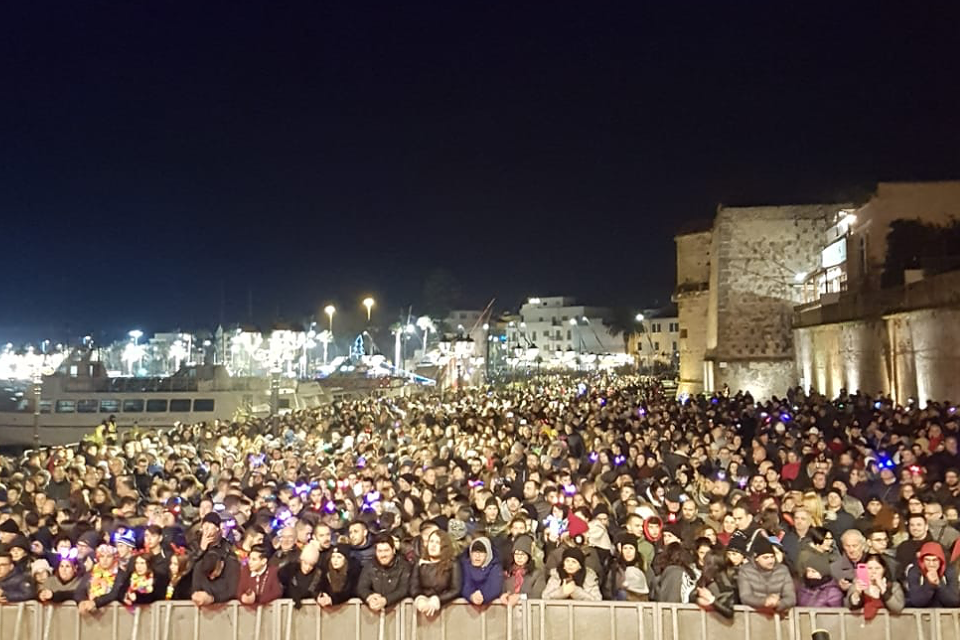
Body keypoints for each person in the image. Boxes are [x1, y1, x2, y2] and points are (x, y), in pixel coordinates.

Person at [737, 537, 796, 614]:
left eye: (772, 557)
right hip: (754, 616)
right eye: (766, 558)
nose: (770, 561)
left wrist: (778, 604)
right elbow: (745, 596)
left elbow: (791, 597)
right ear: (756, 558)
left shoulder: (783, 570)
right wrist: (765, 602)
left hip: (779, 616)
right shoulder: (745, 570)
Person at [411, 529, 462, 616]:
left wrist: (437, 600)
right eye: (431, 541)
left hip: (447, 611)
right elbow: (414, 587)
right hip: (423, 610)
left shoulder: (453, 564)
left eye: (437, 543)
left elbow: (456, 589)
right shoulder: (420, 564)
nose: (433, 546)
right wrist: (420, 598)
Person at [357, 534, 411, 612]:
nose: (383, 555)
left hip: (399, 614)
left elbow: (404, 589)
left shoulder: (404, 566)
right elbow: (361, 587)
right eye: (380, 551)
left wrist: (386, 600)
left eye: (386, 551)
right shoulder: (369, 566)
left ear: (393, 550)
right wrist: (369, 596)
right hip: (374, 615)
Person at [846, 553, 905, 618]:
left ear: (884, 570)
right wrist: (856, 594)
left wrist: (883, 590)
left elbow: (897, 608)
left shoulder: (894, 586)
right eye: (870, 568)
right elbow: (848, 606)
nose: (873, 571)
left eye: (877, 568)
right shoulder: (857, 584)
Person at [904, 541, 960, 608]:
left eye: (935, 560)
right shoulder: (914, 572)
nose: (931, 564)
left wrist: (939, 584)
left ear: (940, 561)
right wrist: (929, 585)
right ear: (922, 561)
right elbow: (916, 601)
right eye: (927, 560)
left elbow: (954, 601)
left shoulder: (949, 571)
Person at [500, 534, 545, 605]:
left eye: (523, 554)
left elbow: (537, 594)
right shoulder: (508, 573)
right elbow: (503, 591)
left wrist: (520, 597)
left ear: (528, 556)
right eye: (516, 554)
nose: (519, 557)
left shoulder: (537, 574)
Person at [694, 549, 739, 618]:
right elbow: (693, 594)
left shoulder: (724, 583)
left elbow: (729, 611)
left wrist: (711, 599)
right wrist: (698, 599)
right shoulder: (705, 580)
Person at [604, 533, 649, 601]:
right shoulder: (615, 568)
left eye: (631, 548)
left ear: (635, 550)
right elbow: (608, 590)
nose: (628, 551)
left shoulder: (644, 567)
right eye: (625, 548)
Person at [78, 545, 122, 613]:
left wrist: (95, 602)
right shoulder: (92, 572)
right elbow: (80, 590)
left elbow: (115, 594)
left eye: (109, 556)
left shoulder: (120, 574)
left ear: (114, 558)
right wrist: (81, 601)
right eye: (102, 556)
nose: (105, 559)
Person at [461, 536, 504, 606]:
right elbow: (464, 585)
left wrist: (482, 596)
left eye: (481, 552)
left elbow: (494, 587)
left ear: (488, 554)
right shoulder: (465, 566)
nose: (477, 556)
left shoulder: (495, 567)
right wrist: (471, 596)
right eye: (474, 552)